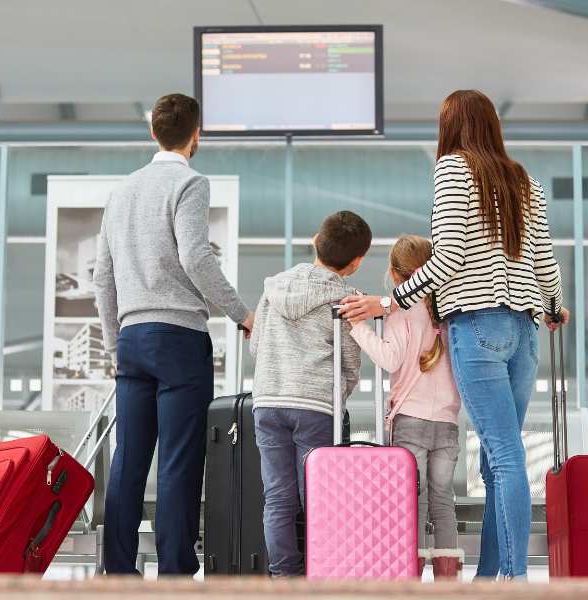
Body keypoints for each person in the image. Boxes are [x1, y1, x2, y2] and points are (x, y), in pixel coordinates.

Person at [340, 90, 569, 580]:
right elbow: (546, 264)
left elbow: (447, 259)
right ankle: (490, 576)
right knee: (497, 457)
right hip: (525, 331)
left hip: (479, 325)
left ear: (452, 127)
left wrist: (388, 302)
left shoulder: (453, 171)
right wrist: (552, 308)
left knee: (503, 455)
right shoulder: (526, 181)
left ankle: (512, 578)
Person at [93, 93, 254, 576]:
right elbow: (196, 258)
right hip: (179, 338)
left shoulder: (122, 190)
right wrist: (242, 315)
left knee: (129, 460)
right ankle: (176, 573)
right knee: (179, 461)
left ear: (152, 133)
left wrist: (111, 340)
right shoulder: (189, 182)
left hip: (132, 339)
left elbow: (103, 276)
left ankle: (117, 572)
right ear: (196, 134)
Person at [249, 210, 370, 577]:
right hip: (315, 405)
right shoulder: (348, 298)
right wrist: (339, 396)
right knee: (318, 498)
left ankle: (284, 579)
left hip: (268, 402)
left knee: (278, 499)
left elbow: (256, 346)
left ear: (317, 240)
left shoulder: (274, 286)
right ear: (356, 263)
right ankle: (321, 575)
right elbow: (350, 363)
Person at [346, 234, 463, 580]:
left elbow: (389, 357)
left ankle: (409, 575)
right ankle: (447, 580)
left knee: (414, 500)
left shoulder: (402, 310)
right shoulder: (450, 310)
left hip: (410, 419)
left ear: (396, 276)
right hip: (448, 421)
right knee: (443, 501)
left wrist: (358, 327)